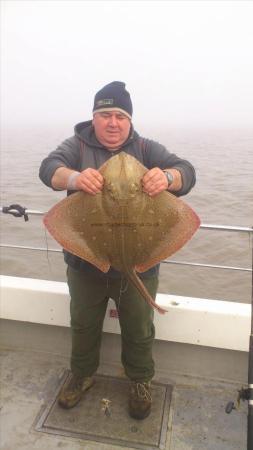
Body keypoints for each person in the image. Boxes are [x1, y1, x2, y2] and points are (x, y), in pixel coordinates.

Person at [39, 81, 196, 420]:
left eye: (120, 116)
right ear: (93, 118)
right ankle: (81, 376)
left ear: (130, 120)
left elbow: (187, 172)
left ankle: (140, 381)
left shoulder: (146, 147)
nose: (113, 122)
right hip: (86, 263)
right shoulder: (77, 146)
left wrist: (167, 178)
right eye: (105, 114)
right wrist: (74, 179)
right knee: (83, 324)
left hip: (141, 265)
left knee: (139, 329)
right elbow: (49, 169)